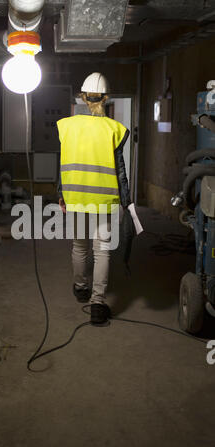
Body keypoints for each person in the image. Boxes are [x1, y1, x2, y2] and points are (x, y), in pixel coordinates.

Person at [57, 72, 131, 326]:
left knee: (79, 247)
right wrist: (126, 200)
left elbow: (63, 163)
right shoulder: (114, 129)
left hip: (75, 195)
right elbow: (120, 169)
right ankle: (98, 303)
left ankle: (80, 289)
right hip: (104, 198)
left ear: (83, 98)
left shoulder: (67, 126)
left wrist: (61, 194)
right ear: (106, 98)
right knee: (101, 251)